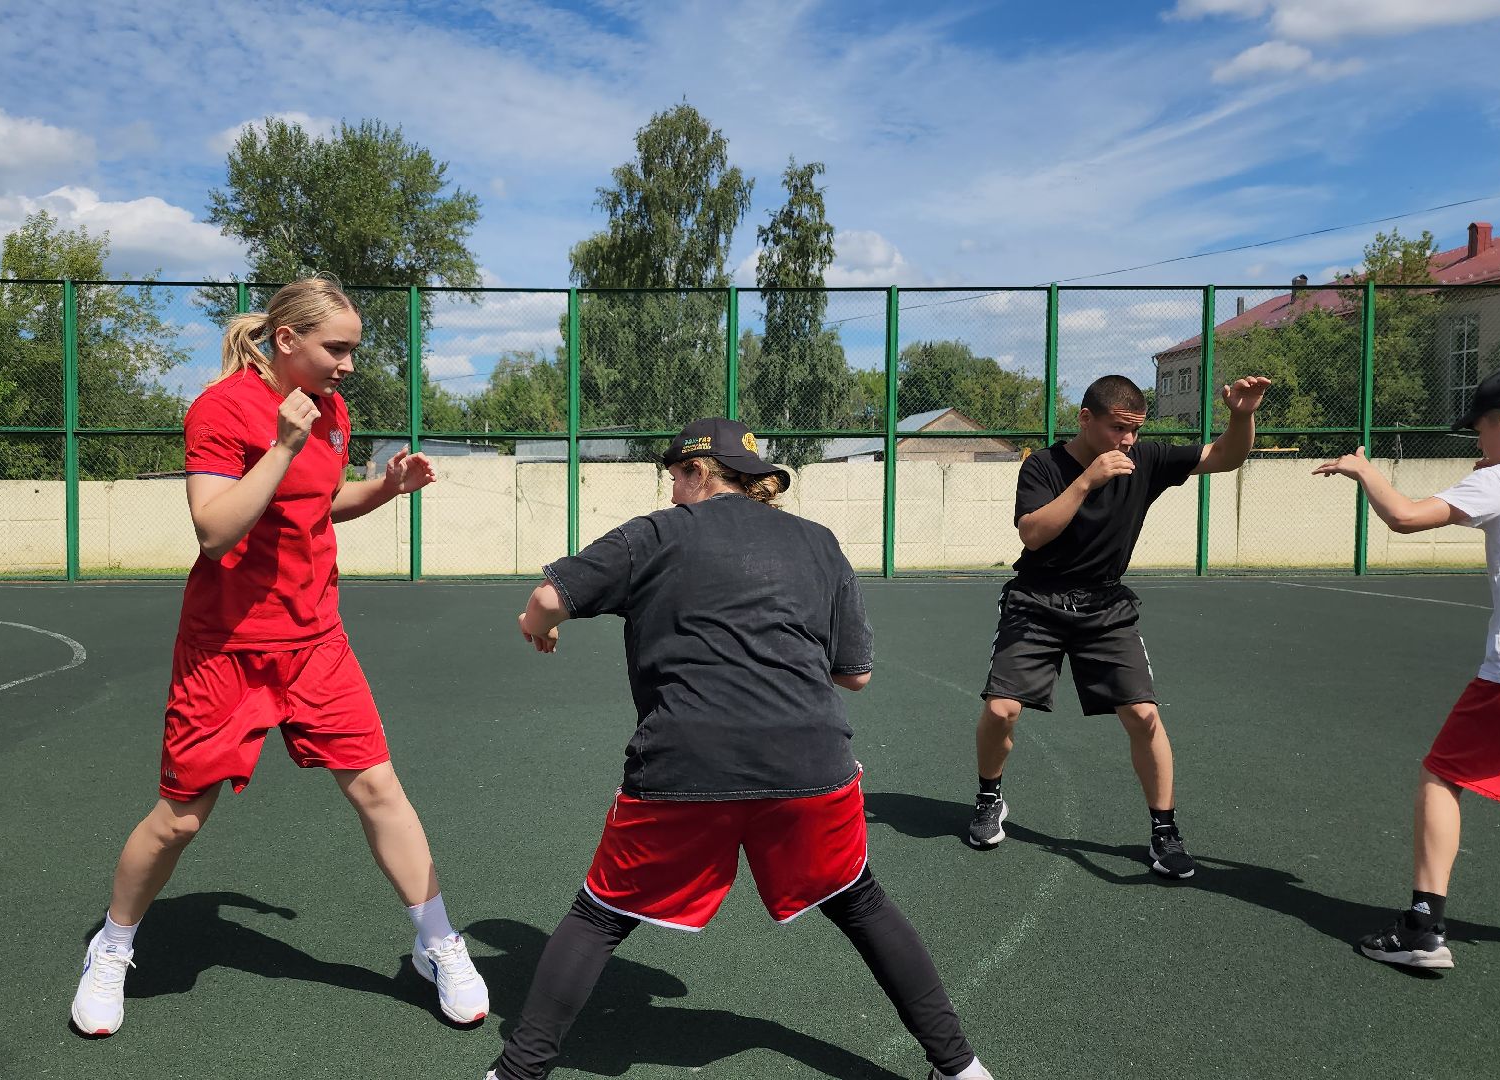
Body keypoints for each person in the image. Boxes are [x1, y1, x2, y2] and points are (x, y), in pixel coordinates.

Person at [489, 418, 993, 1080]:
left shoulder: (653, 533)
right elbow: (856, 674)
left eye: (675, 476)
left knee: (601, 915)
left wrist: (540, 627)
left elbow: (547, 599)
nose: (671, 492)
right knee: (859, 901)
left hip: (683, 767)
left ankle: (518, 1073)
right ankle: (960, 1069)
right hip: (811, 767)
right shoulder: (818, 542)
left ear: (699, 472)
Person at [68, 277, 489, 1035]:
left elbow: (317, 503)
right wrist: (284, 442)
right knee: (180, 821)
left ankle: (437, 944)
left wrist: (385, 489)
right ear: (286, 342)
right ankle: (113, 944)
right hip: (227, 649)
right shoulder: (222, 408)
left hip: (316, 641)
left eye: (354, 349)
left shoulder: (332, 411)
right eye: (338, 348)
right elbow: (215, 528)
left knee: (379, 791)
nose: (349, 365)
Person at [1312, 365, 1500, 971]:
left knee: (1442, 776)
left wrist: (1365, 470)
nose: (1480, 447)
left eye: (1481, 433)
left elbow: (1404, 516)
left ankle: (1423, 928)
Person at [966, 374, 1272, 879]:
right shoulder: (1042, 466)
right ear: (1086, 419)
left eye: (1135, 429)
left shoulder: (1145, 460)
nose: (1128, 440)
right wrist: (1088, 480)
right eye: (1118, 428)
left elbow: (1225, 457)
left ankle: (1164, 831)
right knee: (1001, 709)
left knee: (1144, 716)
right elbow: (1033, 534)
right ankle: (988, 798)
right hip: (1036, 601)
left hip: (1105, 605)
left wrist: (1241, 416)